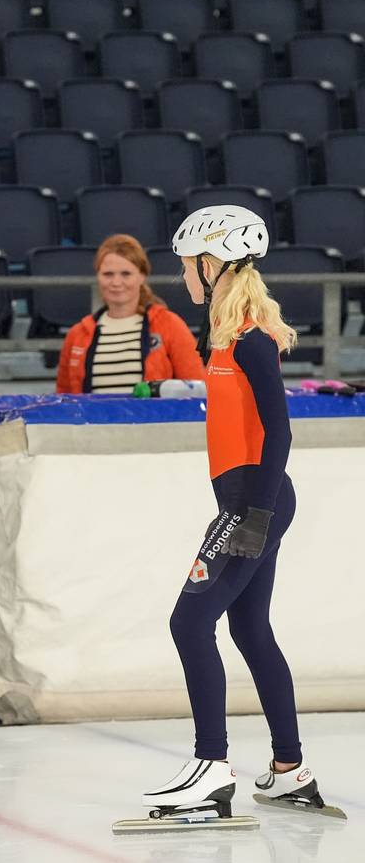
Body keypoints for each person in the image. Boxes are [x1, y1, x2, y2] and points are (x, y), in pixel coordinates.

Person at [141, 205, 342, 823]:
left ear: (216, 262)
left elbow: (280, 430)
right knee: (249, 630)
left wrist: (254, 513)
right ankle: (290, 770)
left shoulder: (251, 338)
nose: (183, 277)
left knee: (188, 622)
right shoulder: (224, 336)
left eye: (187, 265)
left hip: (256, 499)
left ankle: (211, 769)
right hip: (252, 499)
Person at [56, 234, 205, 394]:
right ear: (97, 277)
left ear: (142, 276)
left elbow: (197, 389)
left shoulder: (170, 325)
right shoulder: (76, 334)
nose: (116, 282)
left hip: (157, 420)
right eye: (108, 274)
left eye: (126, 274)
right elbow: (63, 398)